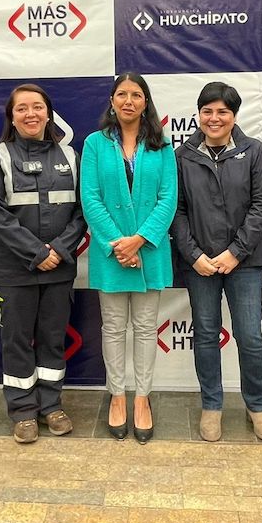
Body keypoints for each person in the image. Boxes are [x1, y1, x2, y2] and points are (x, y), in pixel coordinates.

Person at [0, 84, 87, 444]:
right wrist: (37, 253)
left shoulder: (71, 156)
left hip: (59, 269)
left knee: (52, 340)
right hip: (14, 272)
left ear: (48, 112)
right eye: (22, 108)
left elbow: (82, 213)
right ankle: (23, 411)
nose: (30, 114)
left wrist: (56, 250)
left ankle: (51, 406)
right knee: (16, 342)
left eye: (37, 107)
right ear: (12, 116)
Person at [171, 82, 262, 443]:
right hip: (199, 264)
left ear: (234, 116)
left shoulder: (254, 151)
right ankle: (212, 406)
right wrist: (194, 255)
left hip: (244, 261)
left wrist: (235, 252)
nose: (214, 118)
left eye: (223, 112)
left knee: (249, 336)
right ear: (198, 114)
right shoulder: (183, 156)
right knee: (205, 334)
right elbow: (177, 210)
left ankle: (257, 406)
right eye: (207, 111)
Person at [80, 73, 177, 444]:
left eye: (137, 95)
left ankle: (142, 398)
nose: (129, 101)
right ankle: (117, 395)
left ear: (146, 102)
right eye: (122, 94)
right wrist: (119, 244)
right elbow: (90, 199)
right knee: (114, 329)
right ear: (111, 100)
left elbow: (168, 199)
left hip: (149, 253)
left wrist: (138, 241)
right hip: (110, 255)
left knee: (146, 328)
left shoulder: (161, 146)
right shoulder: (94, 144)